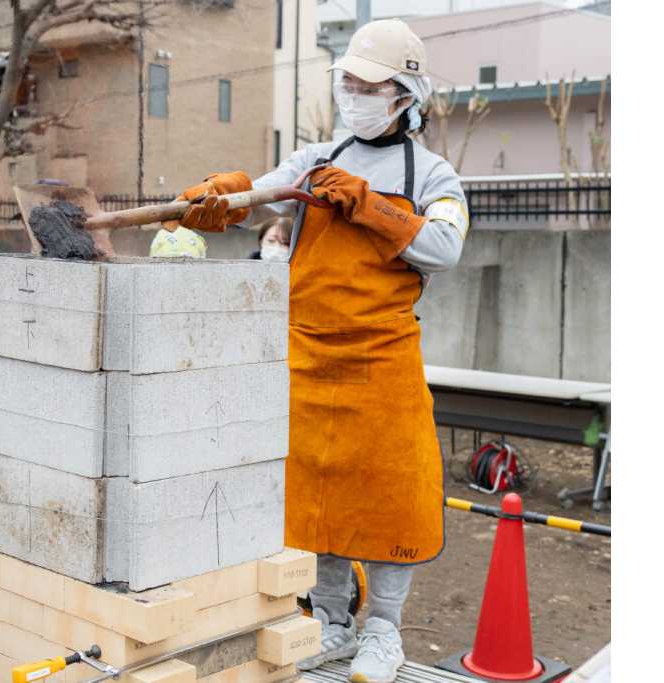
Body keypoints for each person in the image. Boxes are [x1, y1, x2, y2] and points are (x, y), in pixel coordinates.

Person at [167, 19, 468, 683]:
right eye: (348, 83)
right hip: (306, 356)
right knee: (315, 498)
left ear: (405, 94)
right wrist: (219, 199)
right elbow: (258, 196)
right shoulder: (314, 158)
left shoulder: (435, 175)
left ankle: (383, 630)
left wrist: (371, 206)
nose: (354, 94)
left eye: (369, 85)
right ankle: (331, 620)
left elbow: (446, 247)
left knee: (392, 496)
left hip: (383, 359)